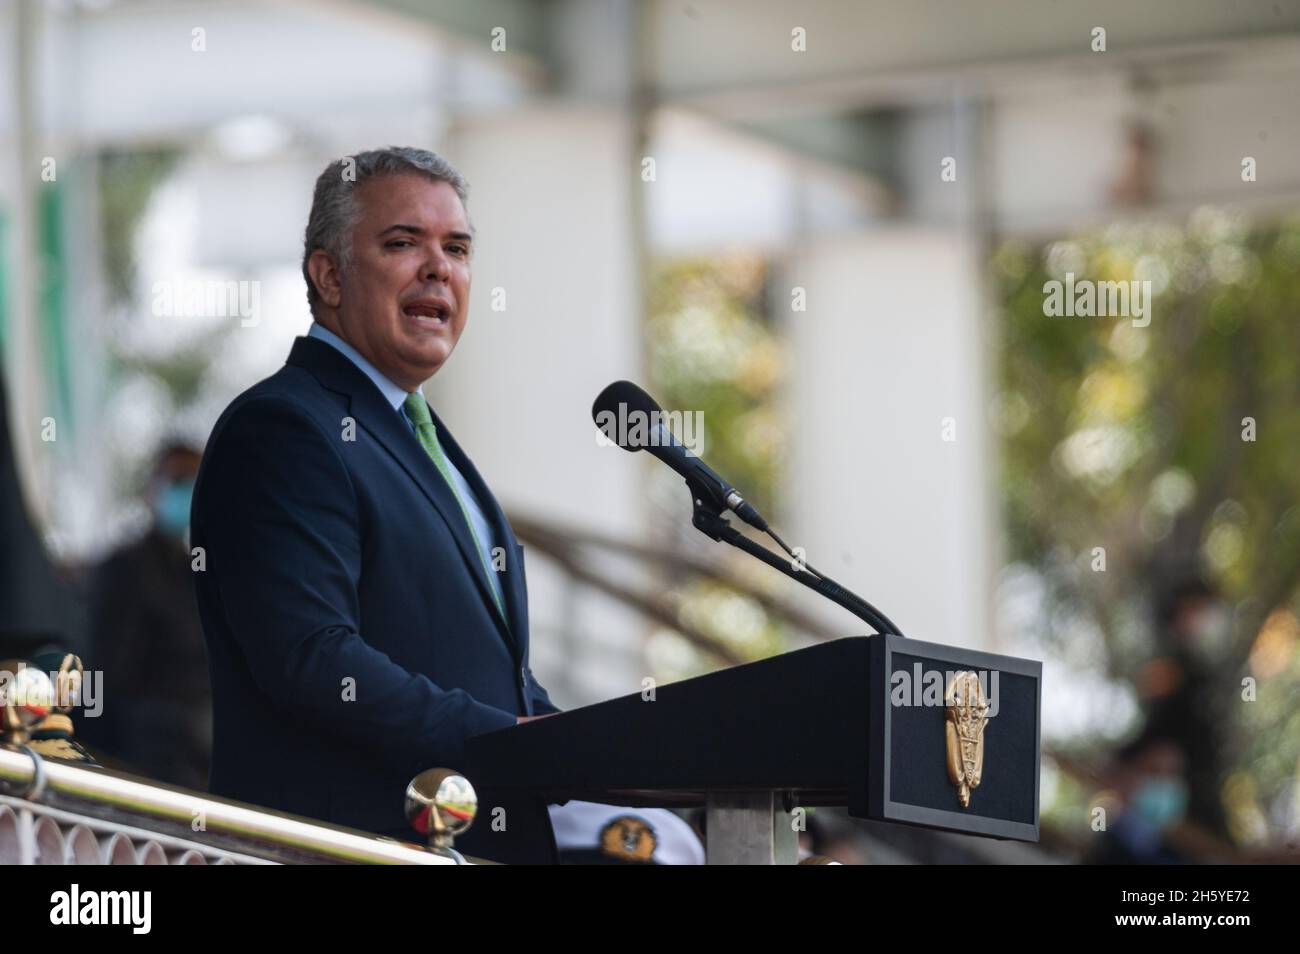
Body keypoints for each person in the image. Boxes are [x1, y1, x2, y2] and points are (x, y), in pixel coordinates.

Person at [192, 147, 561, 863]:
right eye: (402, 243)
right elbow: (313, 659)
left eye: (456, 248)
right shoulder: (285, 427)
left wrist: (605, 757)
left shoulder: (427, 440)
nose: (438, 268)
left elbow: (493, 675)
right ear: (328, 275)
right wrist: (512, 744)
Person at [82, 442, 211, 789]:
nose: (187, 493)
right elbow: (102, 674)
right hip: (145, 753)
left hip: (197, 750)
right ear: (151, 487)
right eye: (179, 480)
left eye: (196, 482)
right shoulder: (125, 567)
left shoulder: (199, 573)